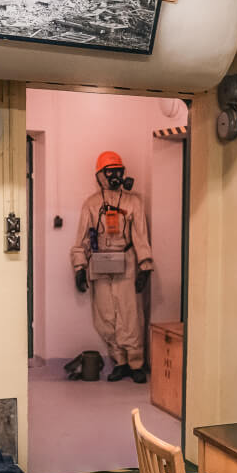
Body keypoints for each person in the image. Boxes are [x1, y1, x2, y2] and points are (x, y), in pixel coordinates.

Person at [71, 150, 154, 382]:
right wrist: (79, 268)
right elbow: (82, 240)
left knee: (130, 315)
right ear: (101, 176)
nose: (116, 176)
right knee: (106, 316)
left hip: (126, 263)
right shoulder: (91, 204)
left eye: (119, 171)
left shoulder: (133, 202)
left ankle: (136, 363)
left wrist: (145, 267)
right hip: (99, 263)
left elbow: (140, 236)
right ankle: (120, 361)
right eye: (111, 172)